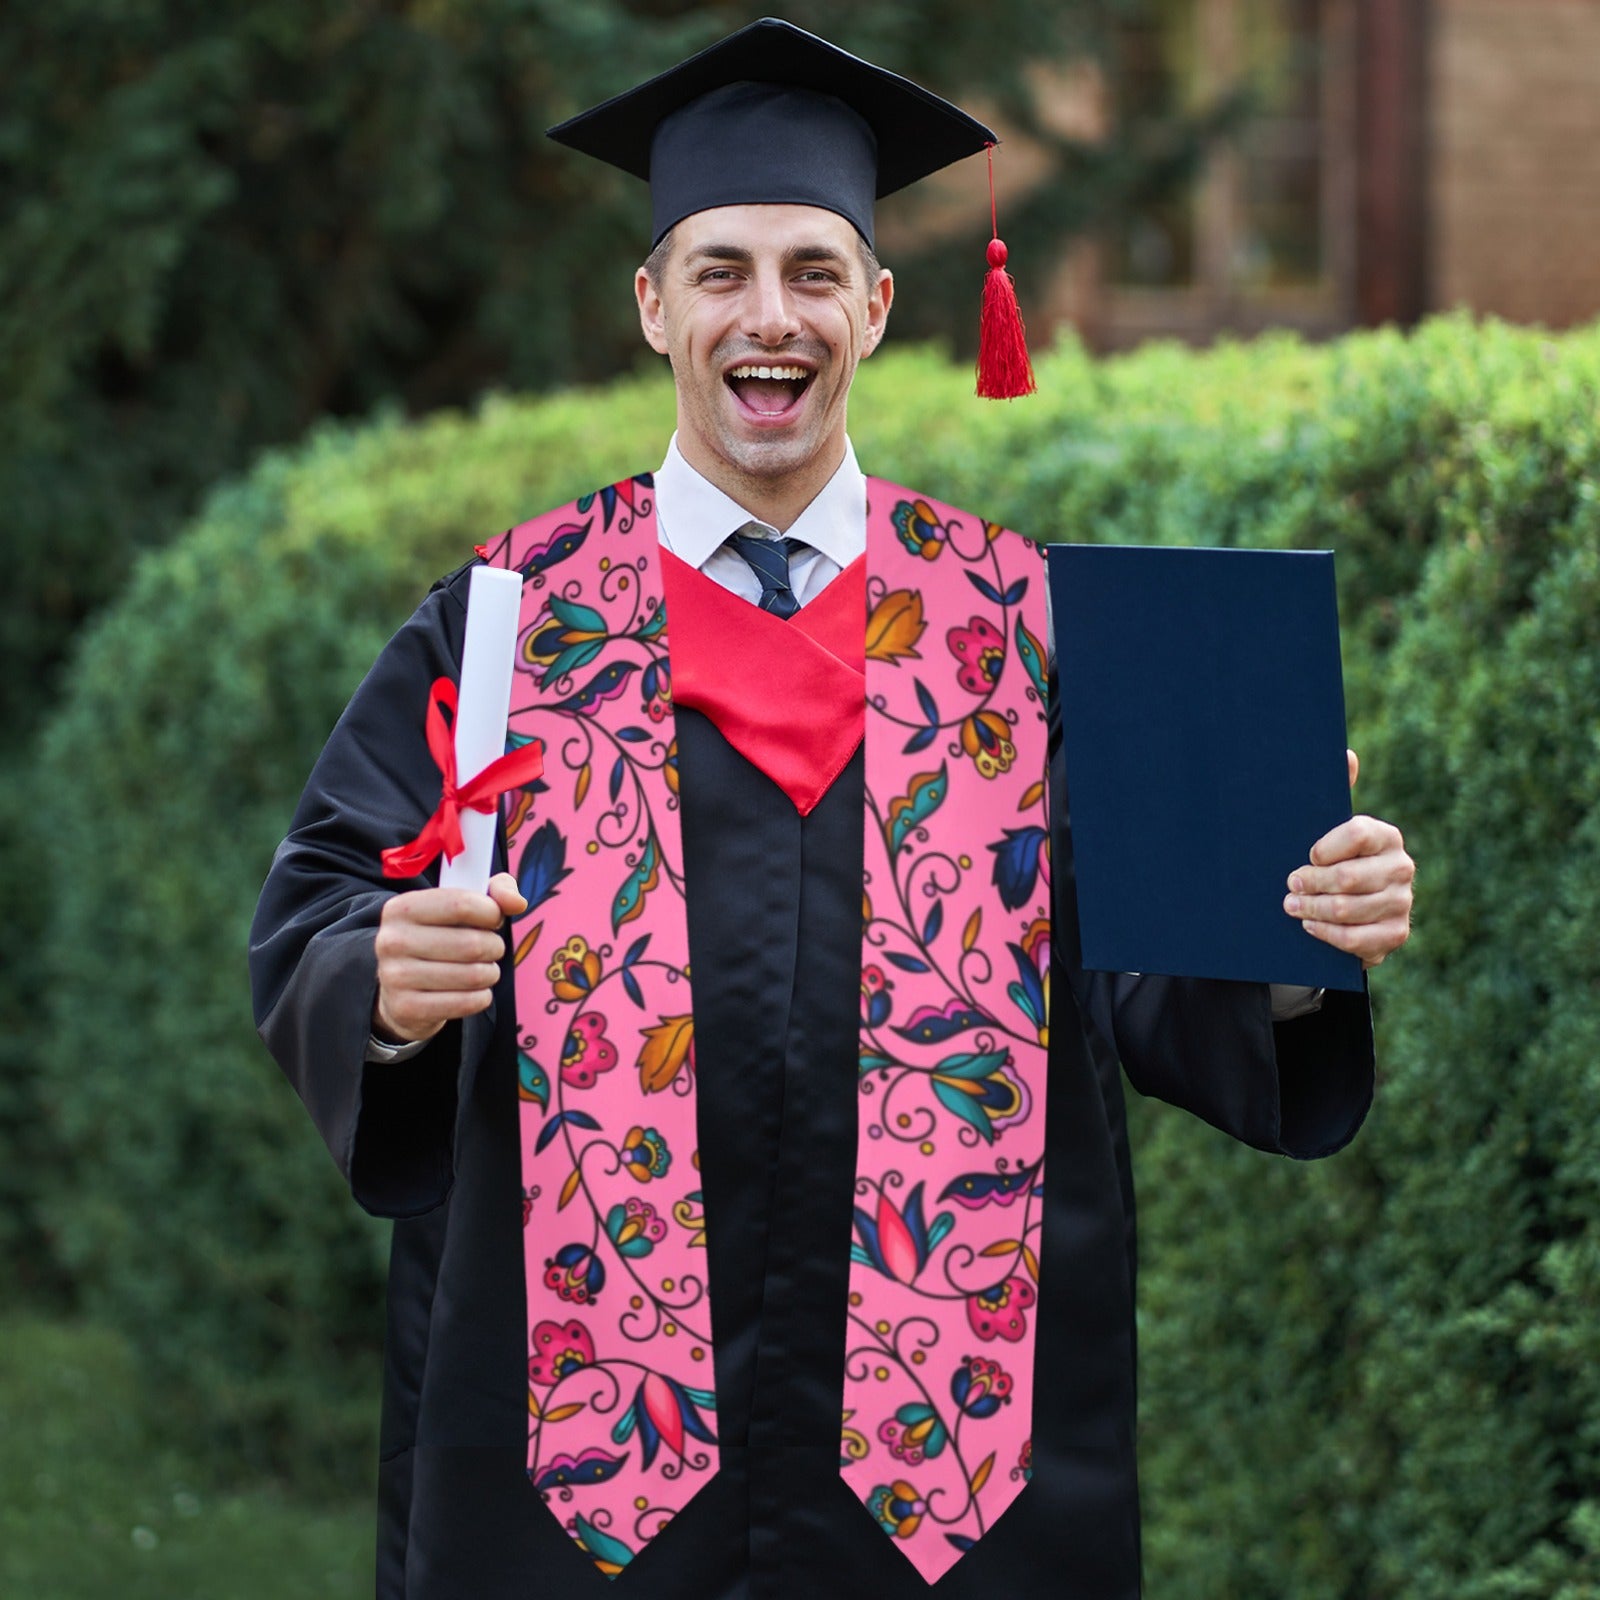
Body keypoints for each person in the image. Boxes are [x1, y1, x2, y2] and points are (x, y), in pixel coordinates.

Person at [249, 19, 1414, 1600]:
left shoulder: (1023, 626)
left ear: (875, 306)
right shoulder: (515, 623)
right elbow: (323, 903)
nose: (769, 317)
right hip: (585, 1457)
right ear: (653, 305)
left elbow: (1150, 976)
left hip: (954, 1467)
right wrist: (382, 981)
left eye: (813, 272)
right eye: (720, 271)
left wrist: (1292, 941)